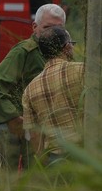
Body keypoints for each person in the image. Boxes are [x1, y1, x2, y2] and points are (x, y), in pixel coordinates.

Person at [0, 3, 66, 168]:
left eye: (58, 29)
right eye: (47, 27)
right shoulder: (25, 52)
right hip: (26, 131)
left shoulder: (62, 54)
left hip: (49, 131)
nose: (53, 33)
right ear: (35, 27)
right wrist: (14, 118)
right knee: (18, 182)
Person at [21, 26, 85, 164]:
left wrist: (44, 163)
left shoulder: (29, 90)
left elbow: (34, 134)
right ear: (67, 47)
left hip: (55, 161)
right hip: (85, 155)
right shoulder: (82, 70)